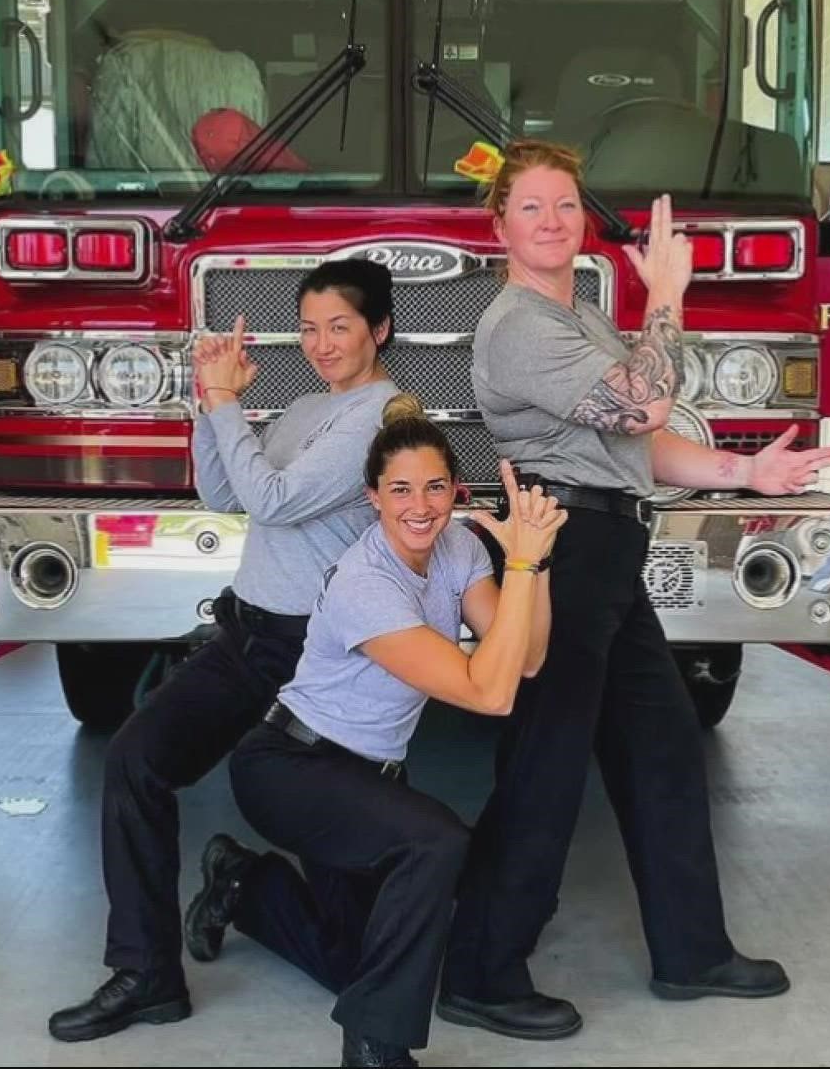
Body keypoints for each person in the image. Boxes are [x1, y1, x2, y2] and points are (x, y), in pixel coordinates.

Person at [436, 139, 830, 1040]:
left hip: (608, 542)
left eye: (565, 205)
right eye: (532, 206)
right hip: (566, 547)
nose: (553, 220)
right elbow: (642, 406)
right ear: (499, 224)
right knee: (546, 762)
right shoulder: (516, 325)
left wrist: (744, 474)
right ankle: (480, 968)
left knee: (661, 748)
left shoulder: (581, 318)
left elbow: (633, 442)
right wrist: (666, 297)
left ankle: (691, 950)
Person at [48, 259, 399, 1043]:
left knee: (348, 962)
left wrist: (226, 402)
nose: (321, 343)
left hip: (320, 660)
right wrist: (208, 404)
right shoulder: (308, 407)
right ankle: (145, 973)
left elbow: (273, 497)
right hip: (247, 636)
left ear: (378, 330)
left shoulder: (380, 419)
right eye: (308, 328)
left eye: (339, 326)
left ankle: (243, 882)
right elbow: (227, 494)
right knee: (136, 761)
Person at [183, 401, 566, 1068]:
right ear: (373, 498)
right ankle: (374, 1049)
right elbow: (489, 690)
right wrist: (525, 570)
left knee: (357, 965)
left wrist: (536, 561)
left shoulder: (458, 548)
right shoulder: (367, 582)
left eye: (434, 487)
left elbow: (527, 659)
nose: (419, 506)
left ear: (455, 491)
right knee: (436, 843)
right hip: (291, 768)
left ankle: (240, 884)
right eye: (400, 490)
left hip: (364, 777)